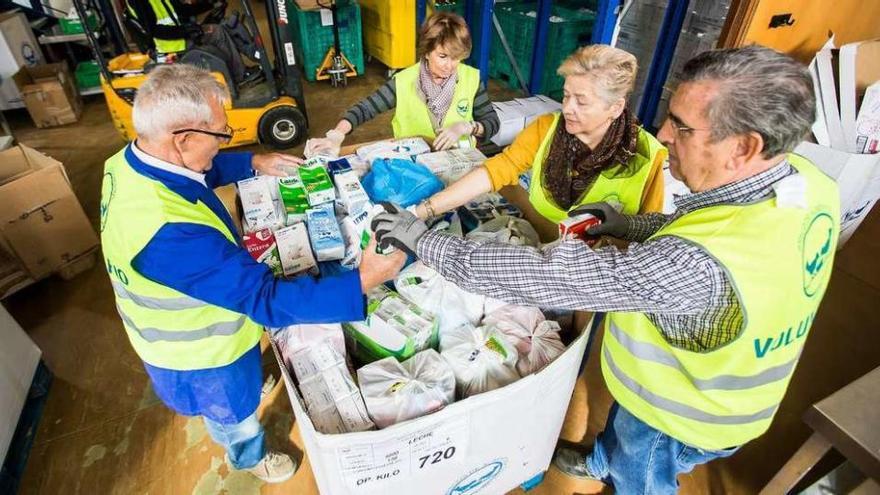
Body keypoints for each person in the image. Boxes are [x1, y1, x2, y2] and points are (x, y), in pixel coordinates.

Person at [370, 45, 840, 493]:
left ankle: (620, 473)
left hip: (681, 410)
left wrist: (423, 240)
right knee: (621, 435)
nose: (666, 134)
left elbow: (549, 274)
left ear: (743, 147)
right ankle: (600, 459)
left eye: (682, 126)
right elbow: (703, 222)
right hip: (715, 378)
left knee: (643, 475)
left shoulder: (690, 258)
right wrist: (633, 225)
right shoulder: (809, 182)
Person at [100, 64, 405, 483]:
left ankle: (248, 398)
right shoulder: (168, 235)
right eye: (222, 135)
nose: (226, 141)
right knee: (234, 413)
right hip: (201, 353)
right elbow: (266, 300)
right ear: (184, 138)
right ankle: (248, 457)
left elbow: (192, 174)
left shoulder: (131, 161)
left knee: (243, 382)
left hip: (218, 323)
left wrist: (252, 161)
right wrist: (363, 280)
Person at [412, 44, 667, 223]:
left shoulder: (646, 155)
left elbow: (646, 230)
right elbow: (494, 171)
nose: (568, 108)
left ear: (615, 107)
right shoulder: (547, 129)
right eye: (566, 96)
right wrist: (424, 210)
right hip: (545, 244)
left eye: (582, 101)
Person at [308, 11, 500, 155]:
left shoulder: (470, 79)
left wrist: (467, 127)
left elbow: (492, 123)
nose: (450, 65)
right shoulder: (404, 81)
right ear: (426, 51)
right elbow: (365, 109)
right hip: (415, 165)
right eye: (443, 56)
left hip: (460, 162)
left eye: (456, 57)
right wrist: (336, 135)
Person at [125, 0, 259, 85]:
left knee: (222, 26)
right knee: (217, 32)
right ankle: (239, 75)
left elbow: (181, 10)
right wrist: (186, 31)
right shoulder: (139, 2)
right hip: (171, 47)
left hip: (180, 37)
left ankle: (251, 57)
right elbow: (154, 31)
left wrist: (209, 4)